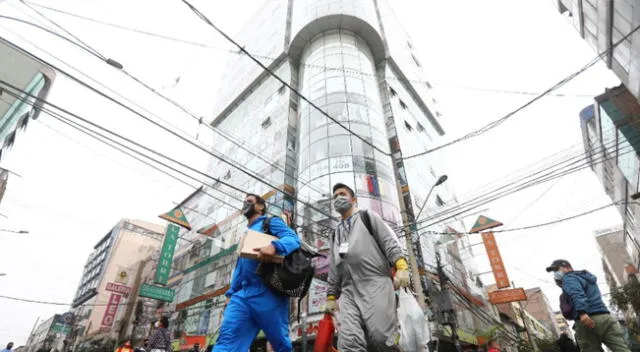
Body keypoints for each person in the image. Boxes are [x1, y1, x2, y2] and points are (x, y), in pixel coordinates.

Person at [325, 183, 410, 351]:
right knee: (348, 343)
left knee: (383, 339)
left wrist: (401, 265)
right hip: (348, 291)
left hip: (376, 284)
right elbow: (334, 268)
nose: (338, 198)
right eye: (335, 196)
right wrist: (331, 296)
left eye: (342, 194)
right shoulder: (335, 234)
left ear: (354, 200)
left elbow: (388, 241)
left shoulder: (367, 217)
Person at [213, 193, 300, 352]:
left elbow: (293, 239)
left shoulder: (270, 222)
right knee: (226, 341)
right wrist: (230, 294)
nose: (245, 204)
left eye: (249, 201)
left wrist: (275, 246)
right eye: (244, 201)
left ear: (260, 206)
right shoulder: (246, 234)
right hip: (243, 296)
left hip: (269, 293)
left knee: (281, 345)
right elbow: (240, 268)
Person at [546, 259, 631, 352]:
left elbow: (577, 294)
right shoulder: (587, 278)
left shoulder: (568, 278)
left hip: (588, 319)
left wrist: (582, 312)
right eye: (554, 271)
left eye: (557, 269)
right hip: (605, 317)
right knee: (622, 349)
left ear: (568, 268)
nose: (555, 273)